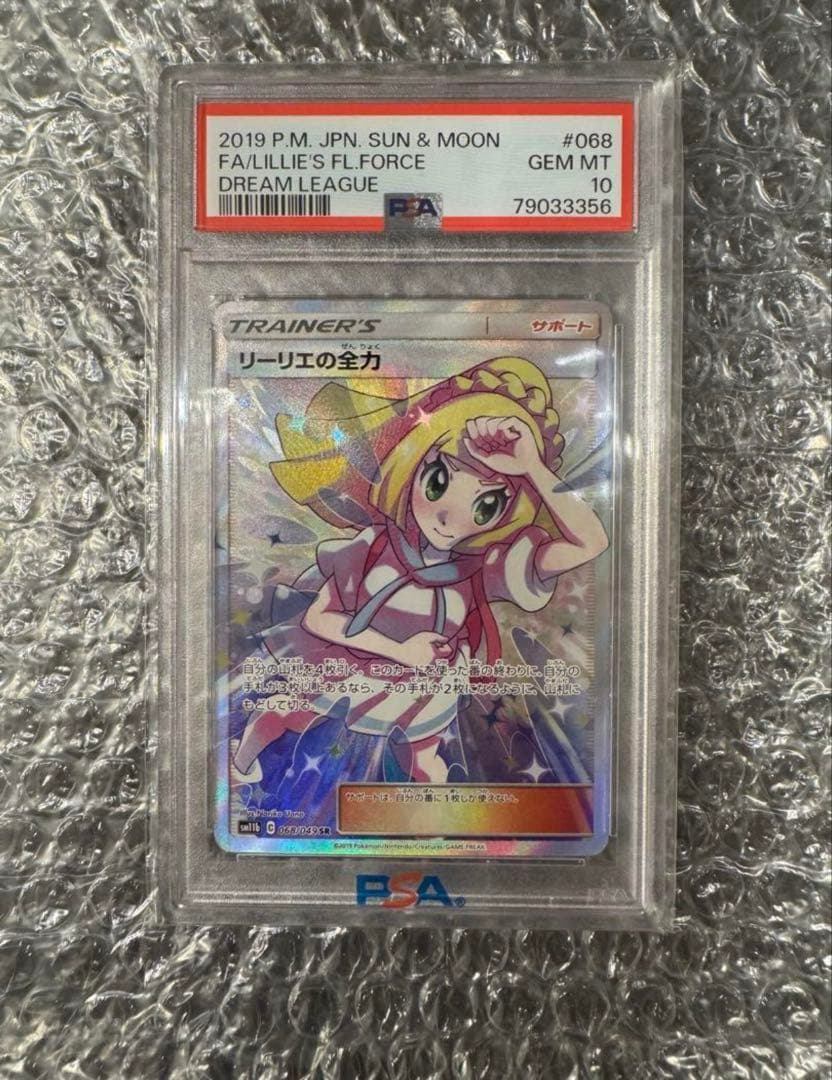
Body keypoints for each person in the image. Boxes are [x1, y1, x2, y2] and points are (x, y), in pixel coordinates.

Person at [231, 356, 608, 784]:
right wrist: (400, 650)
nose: (448, 518)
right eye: (438, 482)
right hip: (353, 664)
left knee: (425, 764)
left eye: (486, 504)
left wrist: (532, 467)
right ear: (412, 468)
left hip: (421, 688)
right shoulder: (374, 546)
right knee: (282, 713)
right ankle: (236, 771)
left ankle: (434, 821)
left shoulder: (484, 567)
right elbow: (319, 618)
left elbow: (590, 543)